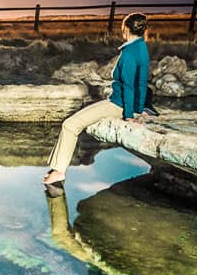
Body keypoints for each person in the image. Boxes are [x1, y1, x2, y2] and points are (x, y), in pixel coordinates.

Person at [43, 12, 150, 186]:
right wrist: (140, 108)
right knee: (75, 120)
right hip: (125, 103)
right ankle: (57, 167)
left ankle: (59, 171)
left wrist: (130, 115)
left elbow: (130, 86)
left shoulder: (129, 53)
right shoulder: (142, 48)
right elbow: (142, 84)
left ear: (126, 29)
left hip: (118, 104)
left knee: (70, 125)